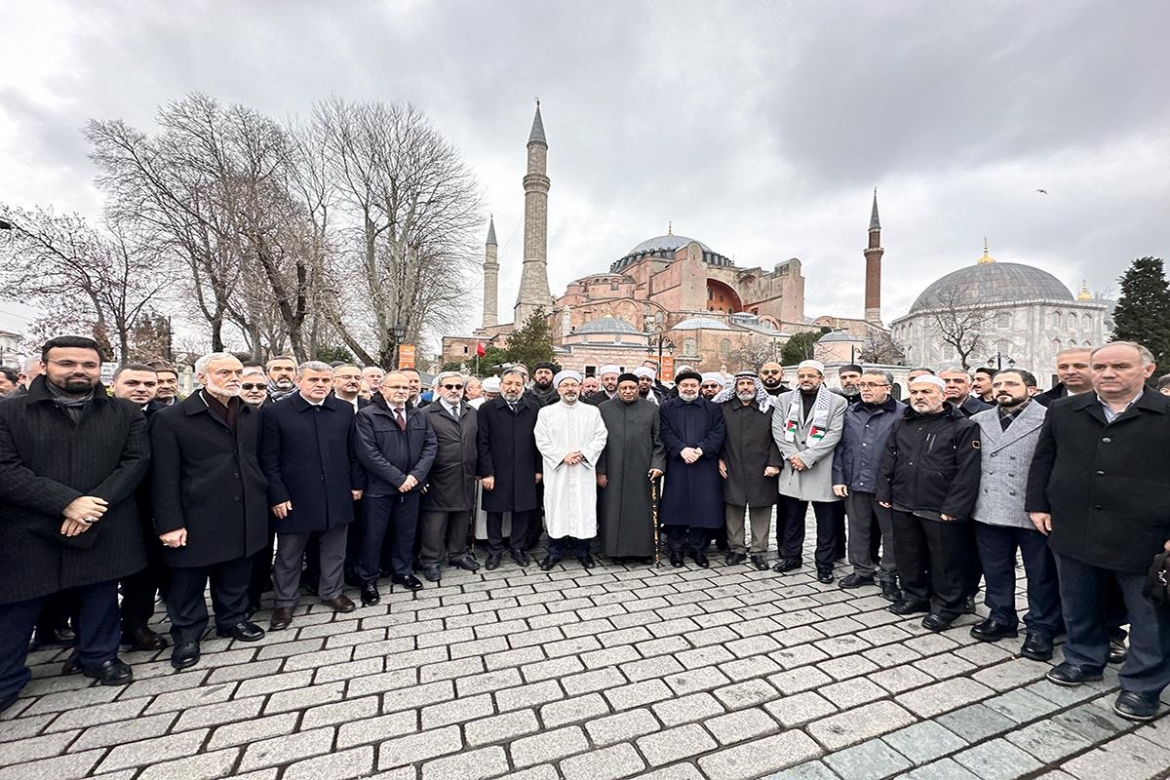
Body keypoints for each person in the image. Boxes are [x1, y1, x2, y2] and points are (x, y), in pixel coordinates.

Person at [0, 336, 150, 710]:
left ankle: (99, 656)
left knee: (99, 593)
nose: (79, 371)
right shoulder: (9, 412)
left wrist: (92, 507)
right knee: (19, 604)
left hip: (102, 519)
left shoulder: (124, 413)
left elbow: (134, 462)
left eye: (89, 365)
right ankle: (7, 677)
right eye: (67, 363)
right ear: (46, 365)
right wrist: (66, 503)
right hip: (30, 523)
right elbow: (6, 469)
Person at [1027, 342, 1170, 721]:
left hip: (1145, 535)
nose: (1108, 374)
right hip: (1074, 526)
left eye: (1120, 366)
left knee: (1149, 614)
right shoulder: (1064, 409)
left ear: (1147, 370)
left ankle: (1142, 685)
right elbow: (1044, 458)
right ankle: (1083, 658)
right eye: (1101, 366)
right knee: (1079, 602)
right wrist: (1038, 504)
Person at [151, 352, 269, 669]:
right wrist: (170, 523)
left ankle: (232, 619)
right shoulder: (172, 418)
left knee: (237, 569)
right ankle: (188, 634)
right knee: (188, 578)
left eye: (237, 372)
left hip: (244, 506)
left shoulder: (249, 413)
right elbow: (163, 476)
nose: (234, 378)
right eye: (224, 372)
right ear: (202, 377)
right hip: (196, 511)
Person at [259, 362, 363, 632]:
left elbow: (353, 451)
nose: (320, 384)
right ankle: (284, 601)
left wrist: (356, 484)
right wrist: (277, 495)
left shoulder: (342, 410)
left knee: (335, 549)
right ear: (298, 381)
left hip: (336, 491)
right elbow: (268, 460)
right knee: (289, 553)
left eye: (326, 380)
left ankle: (332, 591)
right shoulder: (276, 412)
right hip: (295, 495)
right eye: (314, 379)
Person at [877, 374, 981, 632]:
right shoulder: (902, 423)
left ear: (943, 395)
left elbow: (968, 471)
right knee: (908, 554)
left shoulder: (963, 426)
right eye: (914, 392)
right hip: (903, 501)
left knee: (945, 560)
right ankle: (915, 596)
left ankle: (947, 607)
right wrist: (884, 493)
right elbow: (888, 458)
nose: (920, 397)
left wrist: (954, 508)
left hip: (938, 505)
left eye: (927, 392)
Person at [969, 369, 1060, 660]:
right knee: (995, 567)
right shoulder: (978, 420)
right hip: (989, 506)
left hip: (1033, 509)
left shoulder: (1049, 418)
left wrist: (1048, 506)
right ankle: (1001, 616)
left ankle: (1042, 626)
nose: (1002, 389)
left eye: (1011, 383)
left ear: (1031, 389)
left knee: (1040, 573)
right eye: (997, 384)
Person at [353, 372, 437, 600]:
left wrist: (415, 477)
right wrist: (399, 479)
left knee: (406, 532)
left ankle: (403, 571)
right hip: (379, 488)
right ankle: (368, 579)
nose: (402, 390)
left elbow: (430, 446)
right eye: (396, 386)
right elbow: (368, 453)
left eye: (406, 386)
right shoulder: (367, 415)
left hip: (411, 487)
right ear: (382, 388)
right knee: (373, 535)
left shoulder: (419, 415)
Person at [110, 364, 169, 652]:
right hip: (103, 504)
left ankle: (136, 625)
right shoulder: (97, 414)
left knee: (145, 569)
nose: (141, 389)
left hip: (149, 506)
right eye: (132, 382)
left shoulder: (165, 417)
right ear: (114, 384)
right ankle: (94, 639)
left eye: (149, 384)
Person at [772, 360, 848, 583]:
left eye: (811, 376)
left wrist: (807, 458)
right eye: (802, 375)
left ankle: (824, 564)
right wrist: (792, 456)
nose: (806, 379)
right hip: (792, 468)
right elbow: (777, 429)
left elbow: (835, 434)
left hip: (820, 469)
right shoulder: (784, 400)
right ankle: (791, 557)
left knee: (826, 523)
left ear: (821, 379)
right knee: (792, 519)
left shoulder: (837, 402)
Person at [832, 370, 905, 600]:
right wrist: (839, 478)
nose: (865, 388)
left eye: (872, 384)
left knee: (891, 534)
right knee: (858, 529)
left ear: (888, 388)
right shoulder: (851, 412)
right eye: (863, 384)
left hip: (887, 486)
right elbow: (841, 447)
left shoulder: (903, 414)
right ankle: (861, 570)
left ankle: (888, 576)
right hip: (855, 482)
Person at [534, 371, 608, 570]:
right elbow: (541, 439)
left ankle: (582, 551)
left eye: (573, 385)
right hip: (558, 470)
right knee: (557, 508)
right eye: (565, 385)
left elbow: (601, 436)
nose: (570, 389)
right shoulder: (546, 413)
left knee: (582, 508)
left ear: (580, 387)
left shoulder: (591, 411)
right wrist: (562, 456)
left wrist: (584, 453)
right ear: (558, 388)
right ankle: (554, 552)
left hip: (583, 469)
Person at [713, 372, 781, 569]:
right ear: (734, 387)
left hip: (762, 467)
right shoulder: (723, 408)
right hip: (732, 464)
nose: (745, 387)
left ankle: (759, 550)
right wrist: (718, 459)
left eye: (749, 384)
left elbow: (778, 437)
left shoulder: (768, 407)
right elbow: (716, 435)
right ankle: (737, 549)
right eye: (741, 383)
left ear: (756, 387)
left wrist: (774, 463)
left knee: (761, 508)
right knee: (733, 507)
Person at [659, 370, 726, 568]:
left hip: (704, 464)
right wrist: (681, 449)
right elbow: (664, 431)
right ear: (678, 387)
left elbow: (718, 432)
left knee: (702, 507)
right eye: (685, 385)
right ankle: (676, 549)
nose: (689, 389)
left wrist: (701, 450)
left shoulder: (712, 408)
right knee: (676, 506)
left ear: (699, 387)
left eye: (693, 385)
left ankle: (699, 549)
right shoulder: (667, 408)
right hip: (678, 463)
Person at [596, 373, 666, 562]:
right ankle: (615, 552)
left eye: (632, 388)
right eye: (624, 388)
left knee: (642, 511)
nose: (628, 391)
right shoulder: (603, 409)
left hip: (643, 470)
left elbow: (659, 441)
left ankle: (644, 552)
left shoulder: (652, 409)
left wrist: (658, 465)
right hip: (613, 470)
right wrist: (600, 471)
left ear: (638, 389)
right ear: (618, 390)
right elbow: (598, 443)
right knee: (613, 511)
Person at [478, 369, 542, 569]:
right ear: (501, 385)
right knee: (495, 511)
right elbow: (482, 442)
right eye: (508, 383)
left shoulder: (533, 408)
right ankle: (495, 550)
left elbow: (540, 441)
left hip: (525, 468)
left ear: (523, 387)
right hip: (497, 469)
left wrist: (538, 469)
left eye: (517, 384)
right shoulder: (487, 409)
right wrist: (487, 472)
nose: (513, 388)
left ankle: (517, 548)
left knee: (522, 510)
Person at [419, 372, 480, 581]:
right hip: (437, 477)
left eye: (458, 386)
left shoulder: (471, 411)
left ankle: (458, 554)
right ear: (438, 389)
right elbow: (420, 447)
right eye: (449, 386)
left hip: (465, 475)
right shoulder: (426, 413)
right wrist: (422, 477)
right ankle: (430, 560)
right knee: (435, 522)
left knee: (462, 517)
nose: (454, 390)